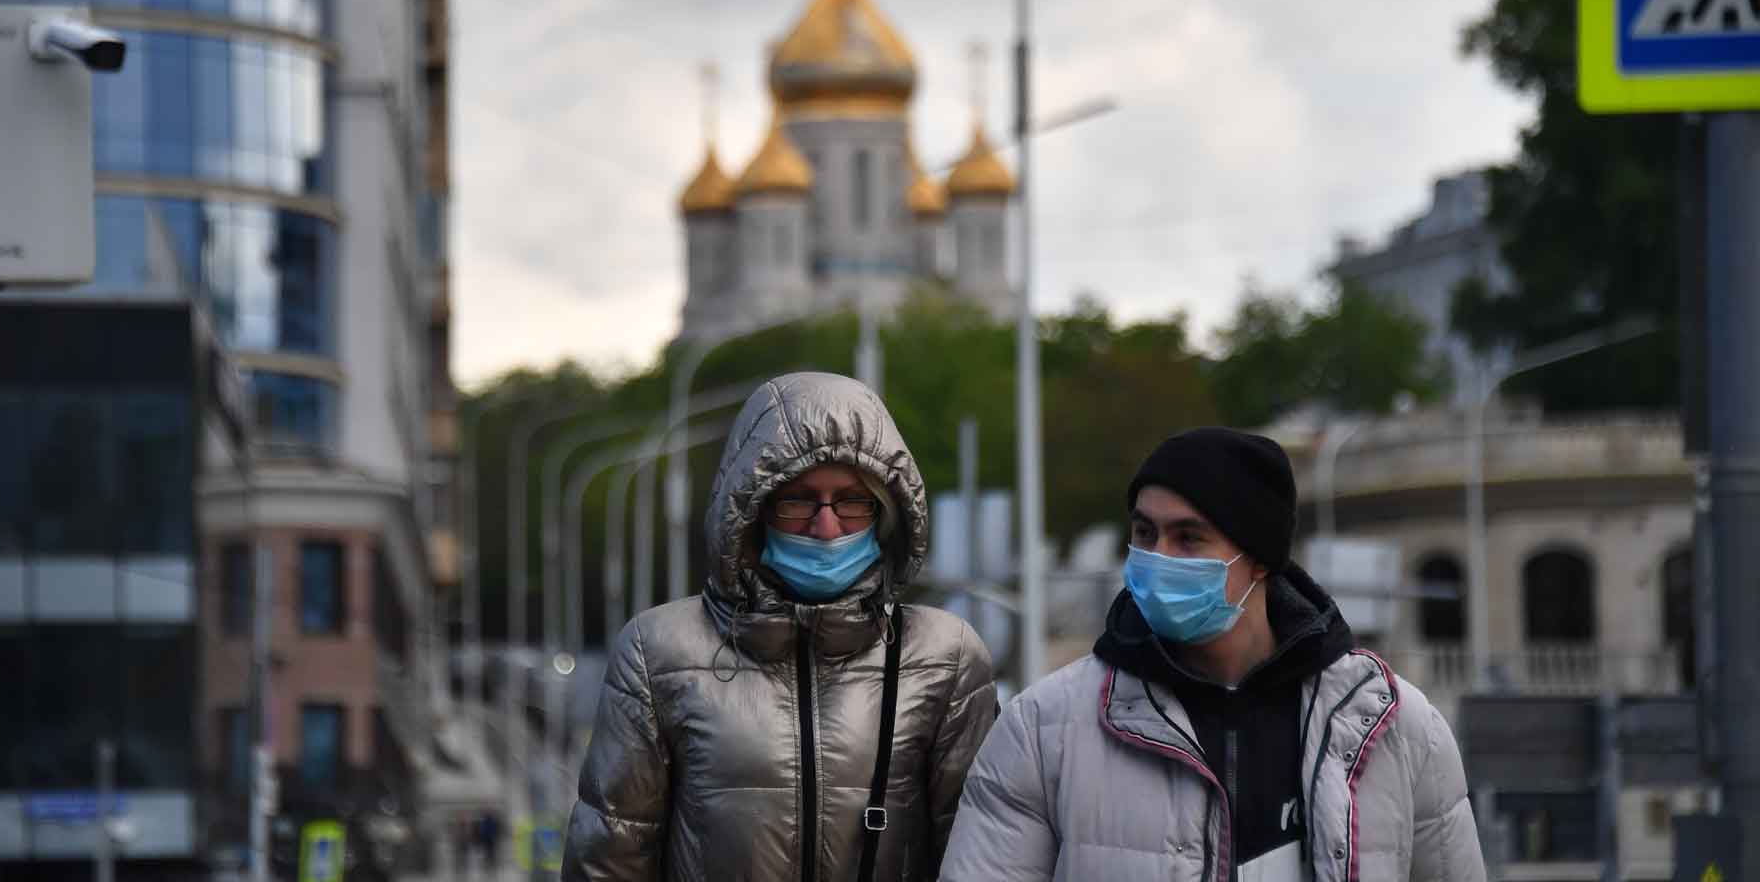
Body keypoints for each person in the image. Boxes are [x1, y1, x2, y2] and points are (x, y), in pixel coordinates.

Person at [943, 427, 1484, 881]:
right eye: (1144, 531)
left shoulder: (1396, 727)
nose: (1158, 557)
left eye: (1189, 537)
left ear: (1261, 560)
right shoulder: (1044, 728)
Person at [563, 372, 997, 881]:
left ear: (886, 511)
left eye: (852, 501)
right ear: (751, 507)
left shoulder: (944, 655)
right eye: (799, 500)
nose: (826, 526)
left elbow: (981, 857)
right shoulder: (659, 651)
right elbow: (610, 857)